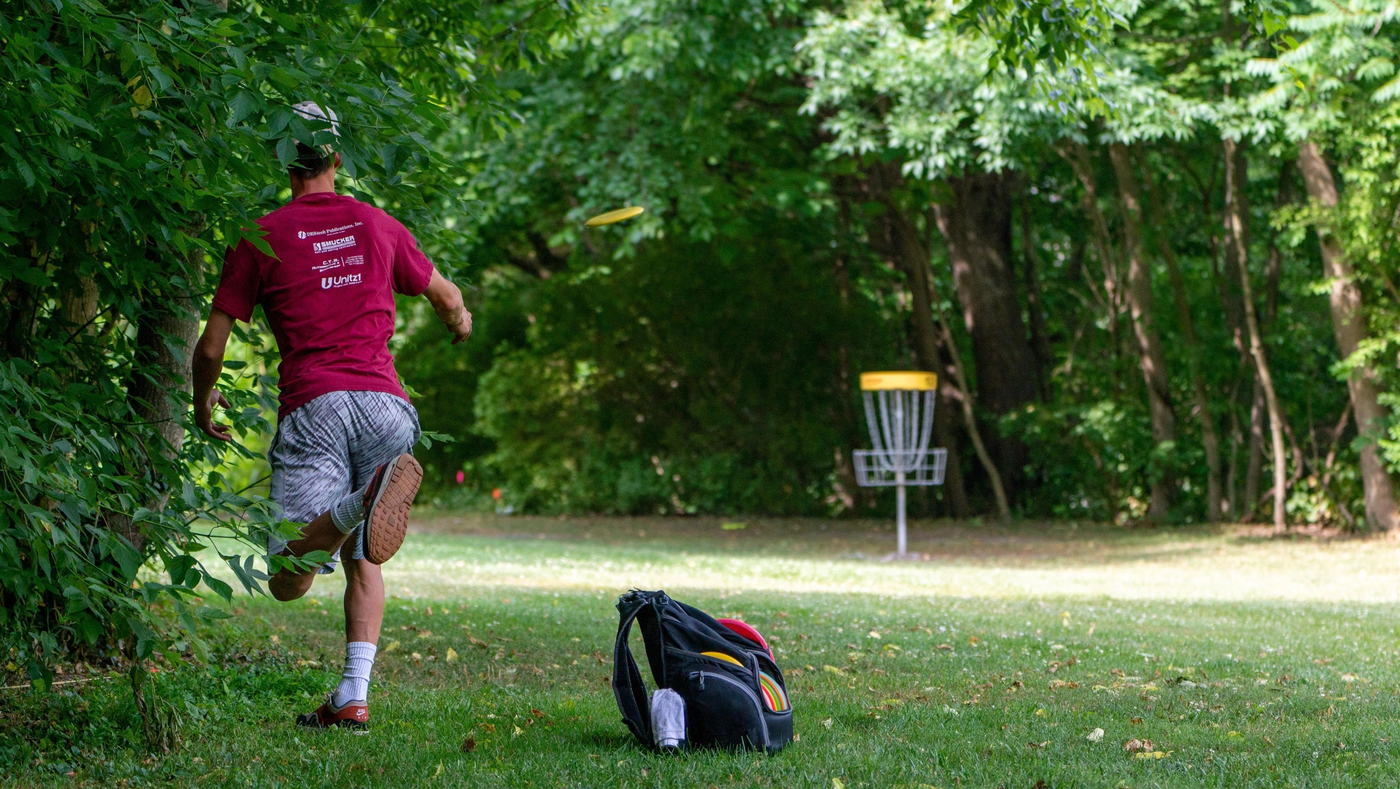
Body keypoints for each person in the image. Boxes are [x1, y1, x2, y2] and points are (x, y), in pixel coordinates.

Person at [191, 102, 472, 730]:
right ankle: (352, 694)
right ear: (337, 159)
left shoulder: (260, 236)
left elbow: (211, 345)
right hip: (387, 410)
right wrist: (460, 322)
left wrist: (201, 399)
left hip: (316, 407)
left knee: (288, 578)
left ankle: (356, 505)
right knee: (364, 556)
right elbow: (448, 297)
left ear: (284, 162)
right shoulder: (377, 225)